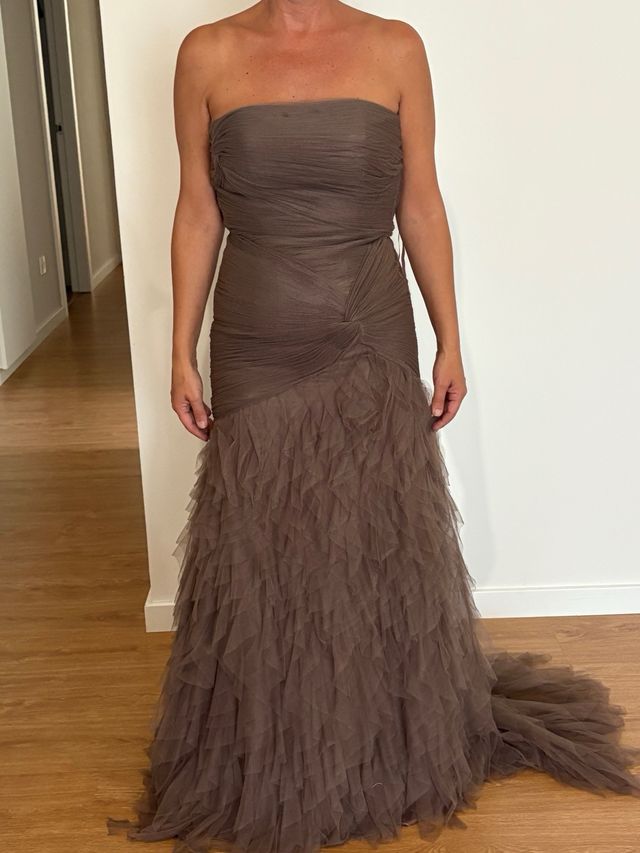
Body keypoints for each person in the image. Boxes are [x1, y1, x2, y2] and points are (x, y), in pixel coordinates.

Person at [107, 2, 640, 851]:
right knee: (266, 541)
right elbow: (198, 209)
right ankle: (276, 752)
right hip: (257, 334)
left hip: (371, 330)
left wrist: (449, 335)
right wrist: (179, 349)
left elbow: (419, 202)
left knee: (369, 536)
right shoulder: (206, 52)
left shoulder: (395, 47)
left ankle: (380, 750)